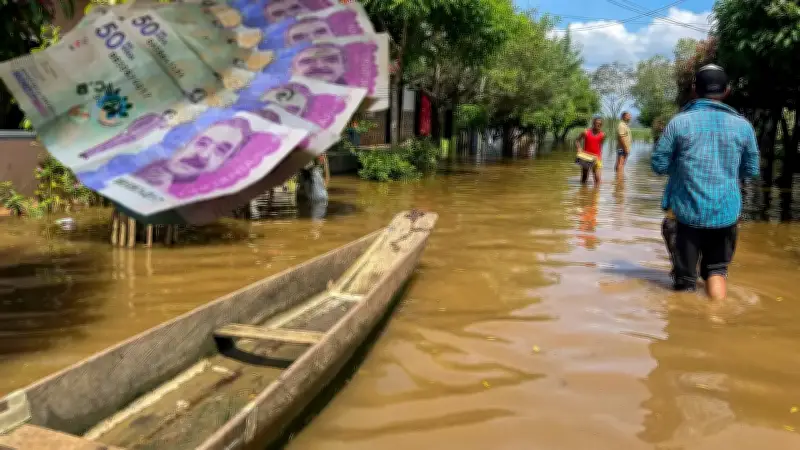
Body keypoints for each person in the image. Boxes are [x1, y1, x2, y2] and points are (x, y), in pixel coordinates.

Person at [651, 64, 760, 301]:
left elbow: (658, 164)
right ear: (727, 91)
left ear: (694, 90)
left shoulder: (679, 123)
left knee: (684, 281)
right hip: (726, 214)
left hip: (686, 214)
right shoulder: (743, 126)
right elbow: (751, 170)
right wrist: (727, 173)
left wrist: (681, 169)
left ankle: (689, 318)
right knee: (717, 271)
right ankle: (716, 317)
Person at [575, 116, 605, 185]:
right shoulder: (585, 132)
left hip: (596, 157)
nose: (598, 125)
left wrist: (599, 156)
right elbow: (577, 140)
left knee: (598, 180)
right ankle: (583, 191)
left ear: (601, 125)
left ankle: (596, 192)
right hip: (586, 157)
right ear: (593, 123)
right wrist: (579, 148)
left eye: (599, 124)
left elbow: (600, 146)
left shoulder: (602, 135)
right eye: (596, 123)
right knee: (584, 178)